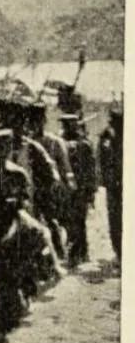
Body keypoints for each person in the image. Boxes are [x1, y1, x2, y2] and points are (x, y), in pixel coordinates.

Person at [0, 130, 55, 333]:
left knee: (8, 273)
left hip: (13, 229)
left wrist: (16, 201)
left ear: (9, 149)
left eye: (2, 148)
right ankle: (11, 304)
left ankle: (6, 316)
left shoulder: (18, 173)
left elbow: (27, 200)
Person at [26, 102, 75, 262]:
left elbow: (64, 166)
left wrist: (66, 187)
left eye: (39, 120)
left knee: (52, 221)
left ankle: (60, 253)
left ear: (44, 121)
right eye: (32, 120)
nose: (35, 124)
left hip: (50, 188)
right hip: (31, 188)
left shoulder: (54, 142)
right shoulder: (25, 143)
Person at [61, 114, 97, 267]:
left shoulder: (83, 144)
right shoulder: (62, 141)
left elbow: (90, 169)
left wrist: (90, 192)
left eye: (68, 124)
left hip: (80, 188)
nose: (66, 127)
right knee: (72, 220)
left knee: (78, 220)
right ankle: (80, 251)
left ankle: (78, 252)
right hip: (68, 188)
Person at [99, 103, 124, 261]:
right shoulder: (109, 135)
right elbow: (104, 155)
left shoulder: (109, 135)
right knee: (115, 217)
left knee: (116, 217)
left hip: (116, 183)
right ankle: (119, 251)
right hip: (115, 183)